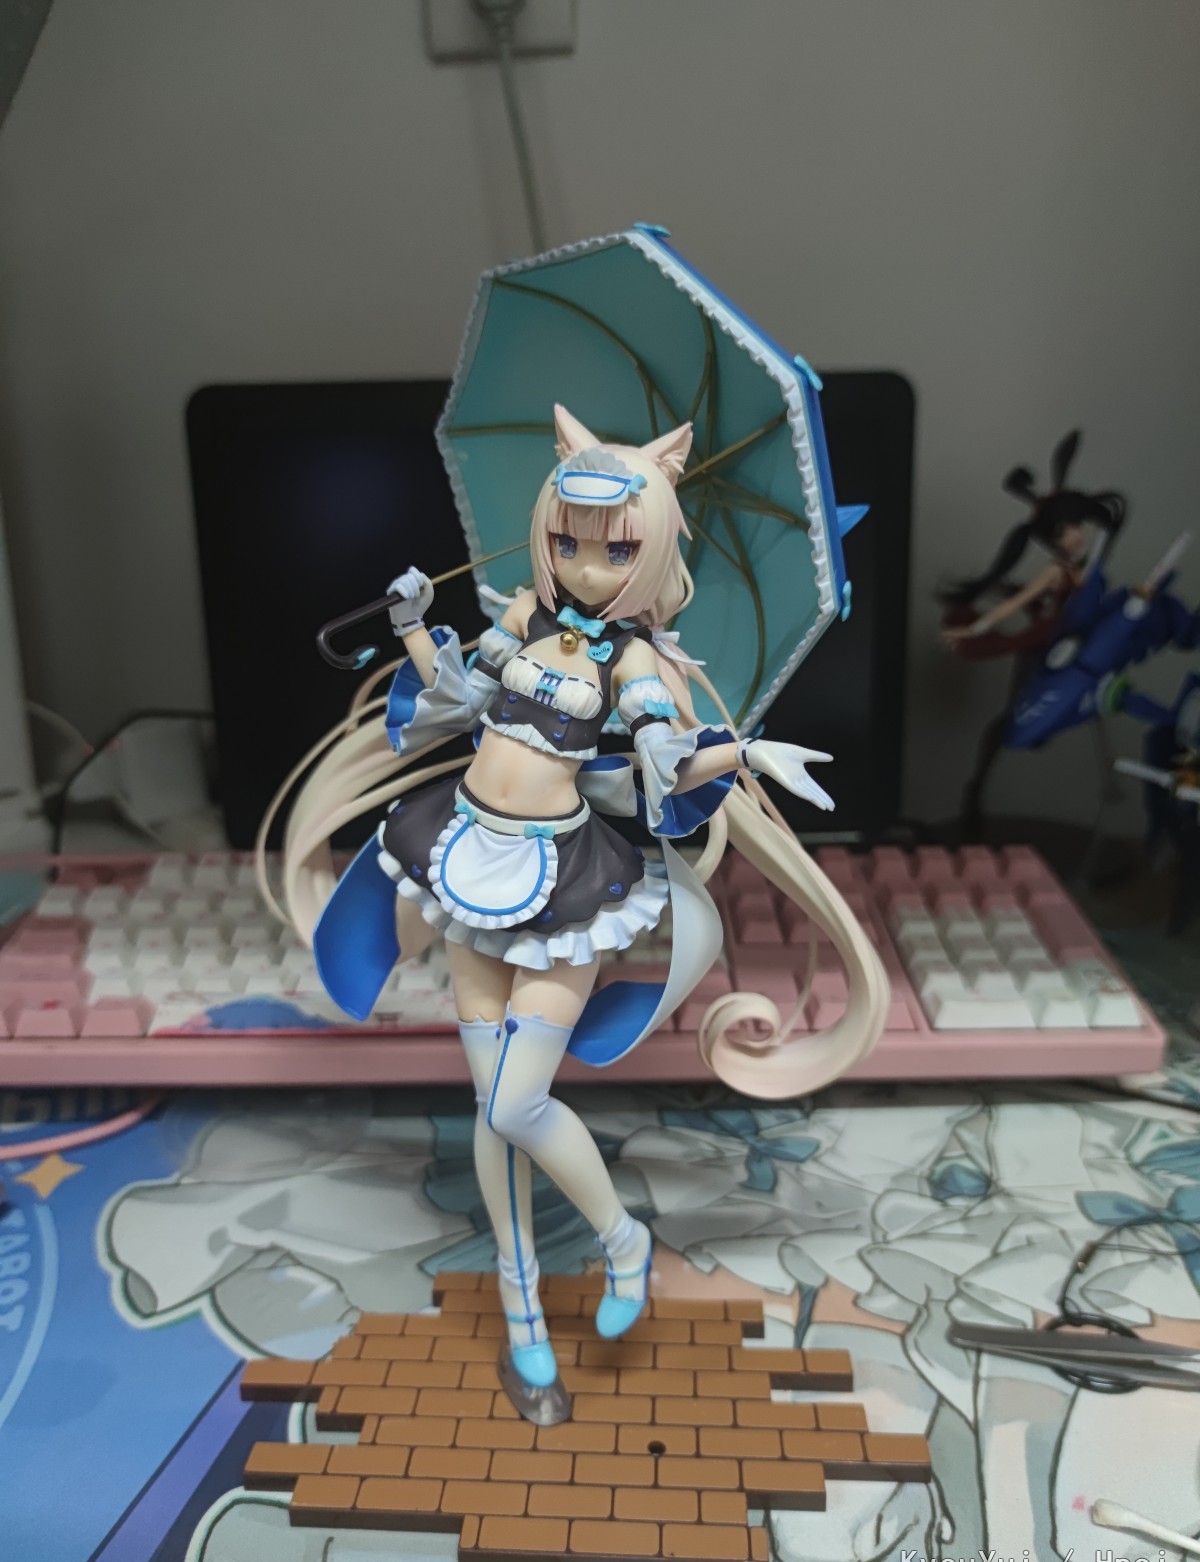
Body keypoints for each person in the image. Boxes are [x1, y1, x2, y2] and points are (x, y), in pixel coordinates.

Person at [264, 406, 888, 1395]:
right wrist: (414, 626)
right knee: (493, 1111)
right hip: (467, 857)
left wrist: (744, 750)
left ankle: (621, 1238)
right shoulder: (520, 619)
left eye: (617, 548)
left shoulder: (634, 661)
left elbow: (667, 763)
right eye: (568, 540)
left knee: (518, 1102)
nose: (588, 565)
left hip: (563, 886)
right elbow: (453, 705)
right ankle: (521, 1305)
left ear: (654, 549)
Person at [935, 430, 1127, 834]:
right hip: (1049, 645)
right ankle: (978, 788)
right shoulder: (1055, 571)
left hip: (1083, 641)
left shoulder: (1083, 566)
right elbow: (1013, 606)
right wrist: (972, 629)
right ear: (1051, 538)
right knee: (1016, 716)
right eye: (1065, 530)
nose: (1076, 535)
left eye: (1077, 525)